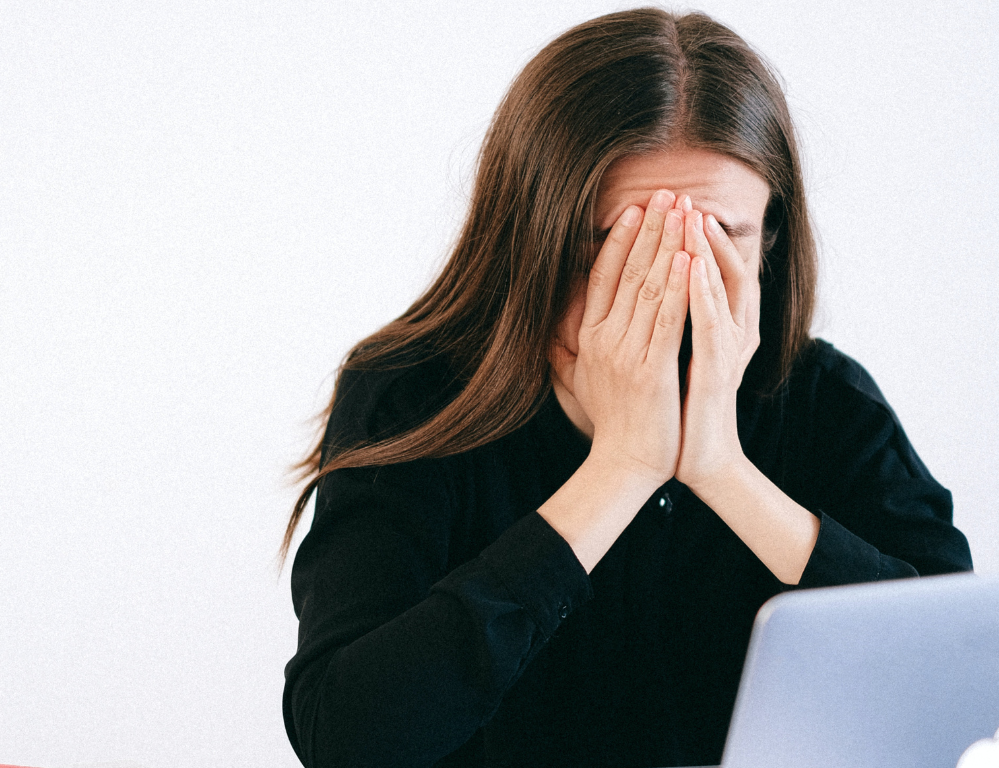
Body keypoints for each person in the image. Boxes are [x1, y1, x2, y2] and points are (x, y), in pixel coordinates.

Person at [281, 8, 973, 767]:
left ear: (769, 240)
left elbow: (957, 686)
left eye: (715, 243)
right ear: (532, 237)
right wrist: (620, 468)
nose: (664, 289)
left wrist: (723, 471)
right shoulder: (412, 395)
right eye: (620, 245)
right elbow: (347, 737)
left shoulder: (827, 402)